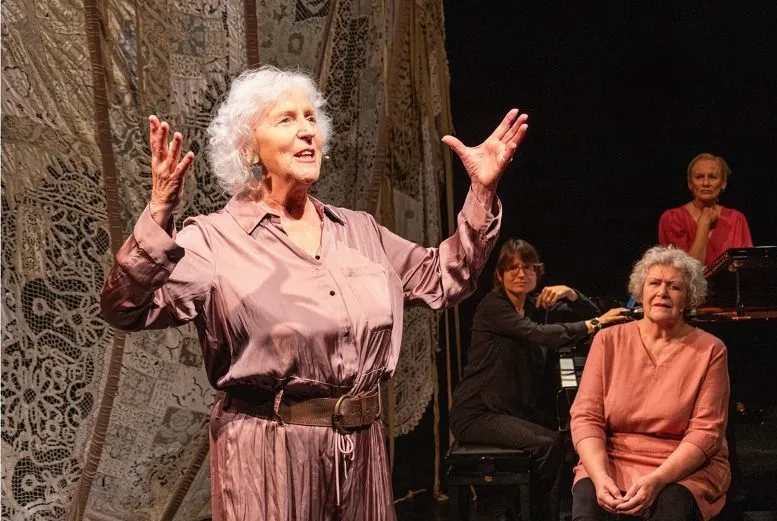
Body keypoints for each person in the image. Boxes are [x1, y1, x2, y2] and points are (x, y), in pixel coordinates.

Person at [99, 66, 528, 521]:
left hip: (362, 452)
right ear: (249, 147)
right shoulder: (214, 240)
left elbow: (446, 277)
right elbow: (125, 308)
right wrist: (158, 214)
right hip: (270, 455)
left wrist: (482, 191)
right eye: (286, 119)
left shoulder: (359, 231)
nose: (306, 130)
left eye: (310, 118)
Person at [449, 238, 628, 520]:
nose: (521, 274)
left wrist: (572, 295)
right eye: (513, 268)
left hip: (510, 411)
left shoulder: (536, 308)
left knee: (564, 440)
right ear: (500, 275)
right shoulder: (493, 306)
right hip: (477, 413)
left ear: (538, 272)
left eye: (529, 267)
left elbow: (600, 320)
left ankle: (525, 510)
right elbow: (541, 334)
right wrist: (594, 323)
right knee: (549, 444)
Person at [570, 245, 731, 521]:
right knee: (587, 508)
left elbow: (706, 432)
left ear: (689, 298)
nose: (662, 293)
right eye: (654, 283)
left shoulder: (710, 350)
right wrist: (600, 476)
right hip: (613, 457)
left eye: (674, 287)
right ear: (640, 291)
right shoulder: (607, 341)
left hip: (682, 466)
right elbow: (586, 417)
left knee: (672, 507)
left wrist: (657, 479)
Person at [658, 153, 752, 265]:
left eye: (713, 177)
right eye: (699, 177)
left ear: (723, 183)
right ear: (690, 183)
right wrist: (704, 225)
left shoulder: (736, 219)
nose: (706, 183)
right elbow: (688, 271)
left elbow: (747, 266)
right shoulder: (672, 218)